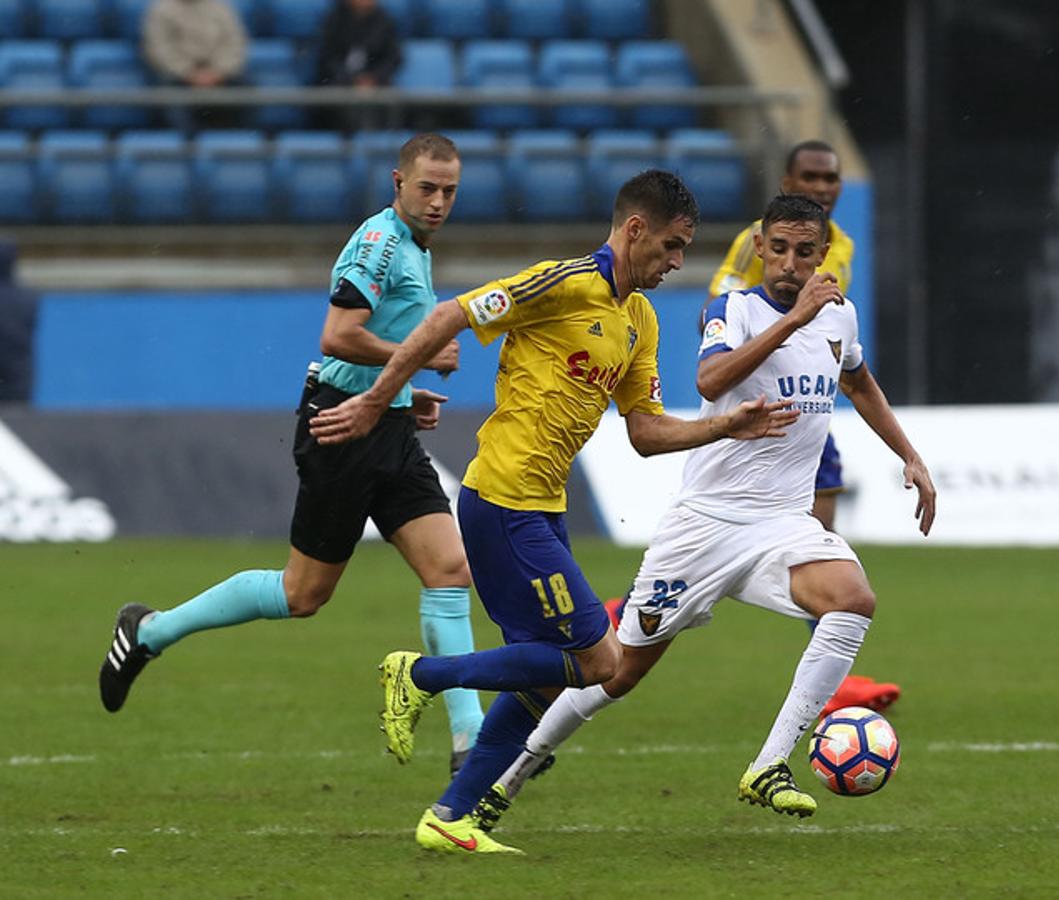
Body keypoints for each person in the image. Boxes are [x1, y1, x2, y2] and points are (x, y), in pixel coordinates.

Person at [307, 170, 800, 856]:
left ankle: (452, 817)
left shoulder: (640, 320)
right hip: (502, 501)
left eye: (683, 249)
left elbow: (646, 431)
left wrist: (726, 425)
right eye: (670, 246)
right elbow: (450, 315)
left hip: (545, 508)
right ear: (634, 230)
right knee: (600, 659)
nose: (677, 261)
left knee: (542, 675)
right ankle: (420, 675)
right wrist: (375, 399)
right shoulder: (561, 282)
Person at [446, 194, 936, 852]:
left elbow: (860, 382)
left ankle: (769, 764)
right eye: (780, 249)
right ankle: (510, 774)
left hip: (779, 526)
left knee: (853, 600)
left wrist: (910, 456)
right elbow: (711, 380)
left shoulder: (838, 317)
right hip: (704, 529)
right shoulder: (731, 308)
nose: (791, 264)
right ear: (760, 247)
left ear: (826, 256)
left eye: (806, 252)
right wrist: (793, 320)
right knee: (613, 672)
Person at [99, 133, 487, 776]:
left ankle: (470, 740)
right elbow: (338, 336)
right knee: (303, 593)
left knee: (450, 569)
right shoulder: (380, 242)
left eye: (449, 191)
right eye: (428, 188)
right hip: (340, 429)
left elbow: (377, 339)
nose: (439, 201)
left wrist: (401, 393)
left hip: (383, 425)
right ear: (398, 182)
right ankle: (148, 631)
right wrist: (412, 358)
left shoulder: (416, 247)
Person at [700, 139, 900, 715]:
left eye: (830, 177)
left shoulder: (843, 246)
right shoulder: (754, 242)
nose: (821, 186)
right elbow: (720, 307)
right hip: (760, 402)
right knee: (703, 564)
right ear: (789, 179)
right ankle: (625, 613)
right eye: (809, 177)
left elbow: (839, 342)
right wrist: (789, 320)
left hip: (811, 403)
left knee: (823, 529)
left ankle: (828, 666)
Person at [142, 0, 248, 130]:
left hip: (219, 75)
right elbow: (159, 49)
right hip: (179, 77)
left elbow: (235, 44)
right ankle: (187, 142)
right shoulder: (161, 9)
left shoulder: (220, 8)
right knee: (169, 94)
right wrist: (188, 73)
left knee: (247, 88)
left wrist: (218, 71)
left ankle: (235, 139)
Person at [314, 0, 403, 131]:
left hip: (376, 81)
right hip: (340, 81)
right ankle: (347, 139)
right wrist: (351, 80)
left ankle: (386, 138)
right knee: (337, 99)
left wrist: (374, 78)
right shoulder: (334, 20)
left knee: (391, 99)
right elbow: (327, 58)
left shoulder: (384, 20)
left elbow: (393, 57)